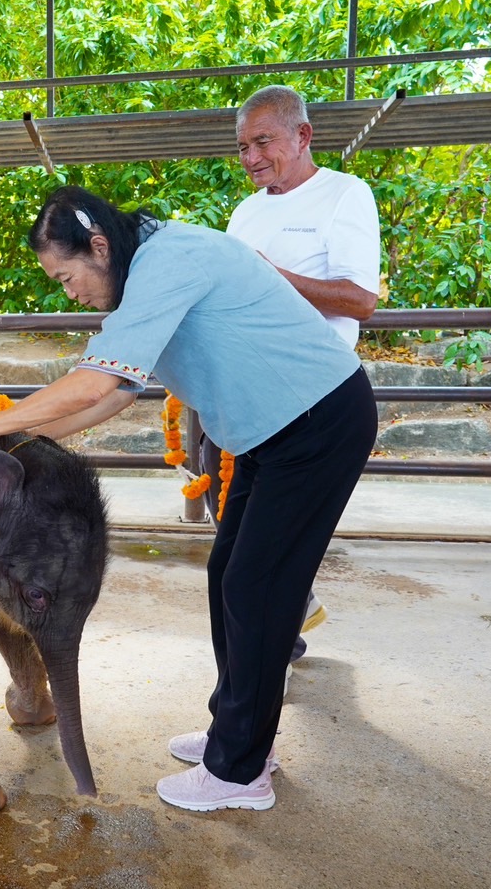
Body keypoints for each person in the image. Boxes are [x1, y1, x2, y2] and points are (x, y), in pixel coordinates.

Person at [0, 184, 377, 812]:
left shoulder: (169, 260)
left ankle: (240, 772)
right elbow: (114, 396)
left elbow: (90, 386)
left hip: (317, 425)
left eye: (67, 274)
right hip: (275, 432)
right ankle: (236, 733)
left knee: (259, 589)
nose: (68, 291)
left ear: (98, 247)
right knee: (230, 578)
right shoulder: (143, 273)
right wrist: (7, 440)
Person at [208, 83, 383, 655]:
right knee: (235, 570)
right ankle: (255, 689)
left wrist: (270, 276)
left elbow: (361, 300)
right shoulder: (245, 212)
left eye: (263, 142)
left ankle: (247, 728)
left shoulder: (344, 195)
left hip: (315, 406)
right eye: (241, 148)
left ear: (303, 135)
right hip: (252, 409)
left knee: (256, 575)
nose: (251, 158)